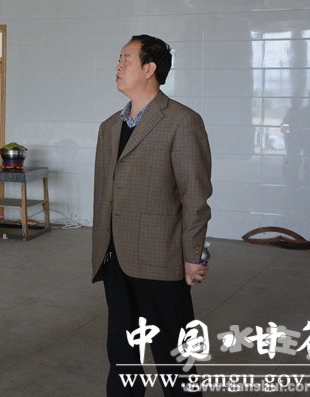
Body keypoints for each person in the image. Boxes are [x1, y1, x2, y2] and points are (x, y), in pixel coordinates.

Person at [91, 34, 213, 397]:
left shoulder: (181, 121)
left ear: (150, 69)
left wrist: (193, 255)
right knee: (122, 352)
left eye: (126, 59)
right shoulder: (110, 127)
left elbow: (195, 196)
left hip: (161, 257)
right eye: (119, 59)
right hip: (115, 257)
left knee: (173, 355)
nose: (118, 66)